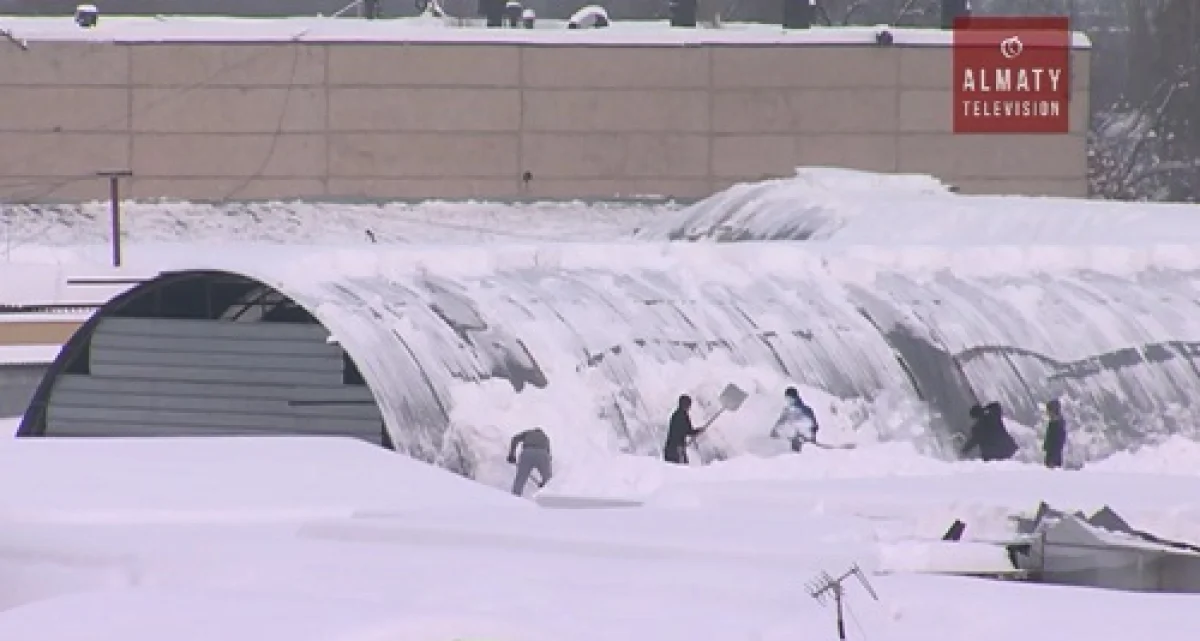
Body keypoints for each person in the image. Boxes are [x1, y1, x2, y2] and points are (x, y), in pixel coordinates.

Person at [770, 387, 819, 452]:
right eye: (786, 398)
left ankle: (799, 446)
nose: (788, 400)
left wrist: (811, 435)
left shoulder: (805, 409)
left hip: (805, 437)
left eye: (789, 398)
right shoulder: (788, 410)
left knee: (798, 436)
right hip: (796, 436)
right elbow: (781, 421)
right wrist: (775, 431)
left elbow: (815, 426)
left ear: (794, 397)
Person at [507, 427, 552, 496]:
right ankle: (549, 495)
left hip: (527, 452)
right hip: (543, 454)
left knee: (520, 478)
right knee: (549, 480)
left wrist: (511, 454)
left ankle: (515, 497)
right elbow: (548, 456)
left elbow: (515, 439)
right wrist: (544, 483)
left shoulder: (528, 433)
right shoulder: (546, 438)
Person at [663, 394, 703, 465]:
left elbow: (687, 431)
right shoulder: (682, 416)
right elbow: (689, 431)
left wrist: (697, 431)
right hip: (676, 450)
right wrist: (698, 431)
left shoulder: (676, 415)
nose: (689, 407)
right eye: (688, 405)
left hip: (670, 449)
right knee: (682, 470)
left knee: (676, 470)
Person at [1043, 399, 1066, 468]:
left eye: (1049, 410)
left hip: (1054, 456)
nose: (1047, 413)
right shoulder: (1053, 423)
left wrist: (1053, 458)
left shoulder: (1058, 424)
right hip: (1051, 454)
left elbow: (1058, 442)